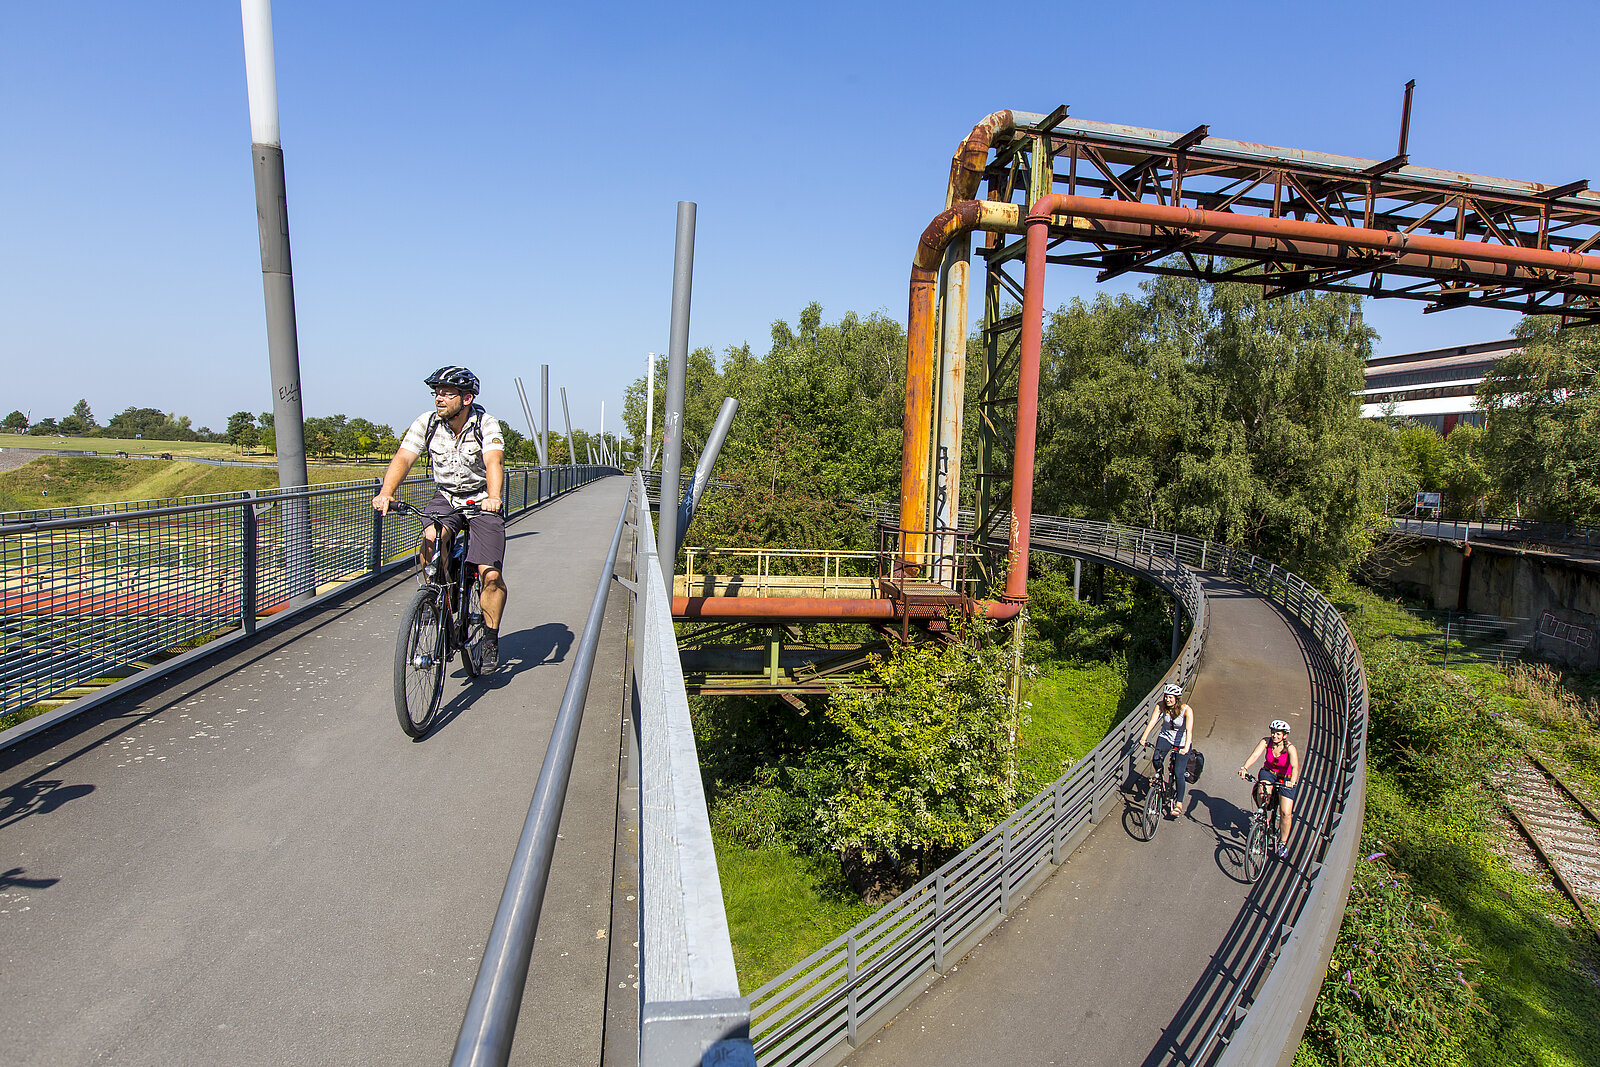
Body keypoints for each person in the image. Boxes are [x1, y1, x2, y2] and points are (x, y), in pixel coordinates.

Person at [373, 366, 508, 672]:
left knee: (491, 576)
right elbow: (404, 457)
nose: (440, 399)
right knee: (431, 543)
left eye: (448, 393)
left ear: (467, 398)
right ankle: (439, 596)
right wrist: (386, 492)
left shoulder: (485, 424)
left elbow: (493, 460)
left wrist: (494, 497)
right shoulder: (427, 422)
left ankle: (489, 637)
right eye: (437, 392)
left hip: (480, 499)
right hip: (446, 496)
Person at [1239, 720, 1300, 859]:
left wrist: (1292, 782)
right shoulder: (1266, 742)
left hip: (1286, 778)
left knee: (1286, 813)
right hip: (1269, 772)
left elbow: (1295, 767)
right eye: (1273, 733)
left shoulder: (1290, 748)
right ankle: (1262, 815)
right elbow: (1255, 755)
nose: (1274, 736)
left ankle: (1283, 843)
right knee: (1262, 790)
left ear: (1284, 735)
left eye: (1278, 734)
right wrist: (1245, 768)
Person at [1138, 683, 1194, 817]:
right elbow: (1152, 721)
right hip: (1166, 737)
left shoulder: (1186, 710)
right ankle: (1160, 781)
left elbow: (1189, 730)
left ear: (1177, 698)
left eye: (1170, 697)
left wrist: (1186, 747)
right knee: (1156, 759)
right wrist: (1144, 737)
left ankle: (1179, 804)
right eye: (1166, 697)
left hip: (1181, 742)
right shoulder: (1161, 706)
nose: (1168, 700)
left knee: (1178, 772)